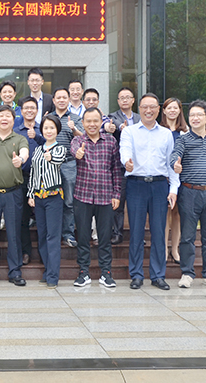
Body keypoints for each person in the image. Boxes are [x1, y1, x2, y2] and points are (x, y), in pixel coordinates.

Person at [120, 93, 179, 291]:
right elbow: (124, 150)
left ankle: (158, 275)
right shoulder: (129, 132)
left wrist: (173, 189)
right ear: (139, 108)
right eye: (145, 107)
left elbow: (171, 163)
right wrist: (127, 163)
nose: (148, 110)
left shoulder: (166, 134)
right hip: (136, 185)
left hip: (159, 186)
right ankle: (136, 275)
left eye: (152, 107)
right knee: (136, 232)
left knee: (159, 232)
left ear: (158, 110)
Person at [171, 99, 206, 290]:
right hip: (189, 193)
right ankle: (187, 273)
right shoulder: (183, 139)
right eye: (192, 115)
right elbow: (174, 156)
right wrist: (175, 164)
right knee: (187, 236)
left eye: (199, 115)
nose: (195, 118)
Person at [70, 107, 122, 288]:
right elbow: (74, 151)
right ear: (83, 123)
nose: (92, 124)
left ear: (101, 122)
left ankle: (106, 273)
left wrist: (116, 194)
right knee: (83, 237)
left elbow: (116, 170)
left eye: (95, 121)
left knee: (105, 238)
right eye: (88, 121)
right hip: (82, 196)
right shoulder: (78, 141)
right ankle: (83, 272)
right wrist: (78, 154)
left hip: (105, 196)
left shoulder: (111, 142)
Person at [0, 106, 30, 286]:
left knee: (14, 233)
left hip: (13, 193)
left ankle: (15, 272)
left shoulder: (20, 138)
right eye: (0, 115)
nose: (4, 119)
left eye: (8, 116)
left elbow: (25, 152)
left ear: (13, 119)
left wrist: (20, 160)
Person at [26, 114, 67, 288]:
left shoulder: (60, 149)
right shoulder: (37, 150)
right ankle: (47, 269)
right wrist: (30, 194)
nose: (49, 131)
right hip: (39, 197)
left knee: (53, 236)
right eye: (45, 128)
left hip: (53, 197)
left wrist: (51, 158)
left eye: (52, 128)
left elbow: (58, 161)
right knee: (42, 236)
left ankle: (53, 276)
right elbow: (33, 174)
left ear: (57, 130)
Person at [105, 87, 140, 245]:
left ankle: (137, 235)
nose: (125, 100)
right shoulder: (113, 116)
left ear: (133, 100)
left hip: (139, 167)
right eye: (122, 98)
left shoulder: (140, 118)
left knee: (137, 204)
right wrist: (122, 127)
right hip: (120, 167)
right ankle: (117, 233)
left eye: (128, 97)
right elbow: (116, 124)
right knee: (118, 201)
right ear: (118, 101)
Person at [50, 87, 84, 248]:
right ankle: (54, 233)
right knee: (52, 200)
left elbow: (83, 138)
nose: (62, 100)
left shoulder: (75, 118)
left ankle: (68, 234)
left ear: (69, 100)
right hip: (51, 164)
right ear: (54, 100)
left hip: (69, 163)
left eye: (65, 97)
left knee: (69, 201)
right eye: (59, 97)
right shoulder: (49, 118)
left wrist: (73, 128)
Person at [14, 96, 44, 265]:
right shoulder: (15, 130)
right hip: (21, 178)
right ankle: (25, 251)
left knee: (42, 218)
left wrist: (38, 136)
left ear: (37, 110)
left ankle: (43, 253)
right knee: (22, 218)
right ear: (21, 111)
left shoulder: (44, 128)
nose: (29, 110)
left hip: (41, 179)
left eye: (33, 108)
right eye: (26, 108)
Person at [161, 97, 188, 264]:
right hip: (164, 177)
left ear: (179, 110)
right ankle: (164, 248)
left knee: (177, 214)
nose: (172, 110)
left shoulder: (185, 132)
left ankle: (175, 249)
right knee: (164, 214)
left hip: (182, 178)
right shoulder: (158, 130)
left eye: (175, 108)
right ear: (164, 111)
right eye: (169, 108)